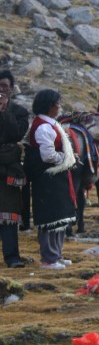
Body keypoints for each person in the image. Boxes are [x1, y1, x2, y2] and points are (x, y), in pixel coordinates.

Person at [24, 89, 76, 270]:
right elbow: (47, 155)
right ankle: (48, 258)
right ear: (49, 106)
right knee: (50, 217)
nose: (60, 107)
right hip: (47, 177)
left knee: (59, 216)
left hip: (56, 176)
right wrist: (66, 158)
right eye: (57, 104)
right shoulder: (43, 127)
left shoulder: (50, 123)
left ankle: (57, 254)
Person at [0, 70, 29, 268]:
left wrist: (4, 112)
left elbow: (17, 135)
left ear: (11, 89)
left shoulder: (19, 112)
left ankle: (12, 257)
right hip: (6, 159)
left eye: (5, 87)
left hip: (8, 171)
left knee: (9, 215)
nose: (1, 90)